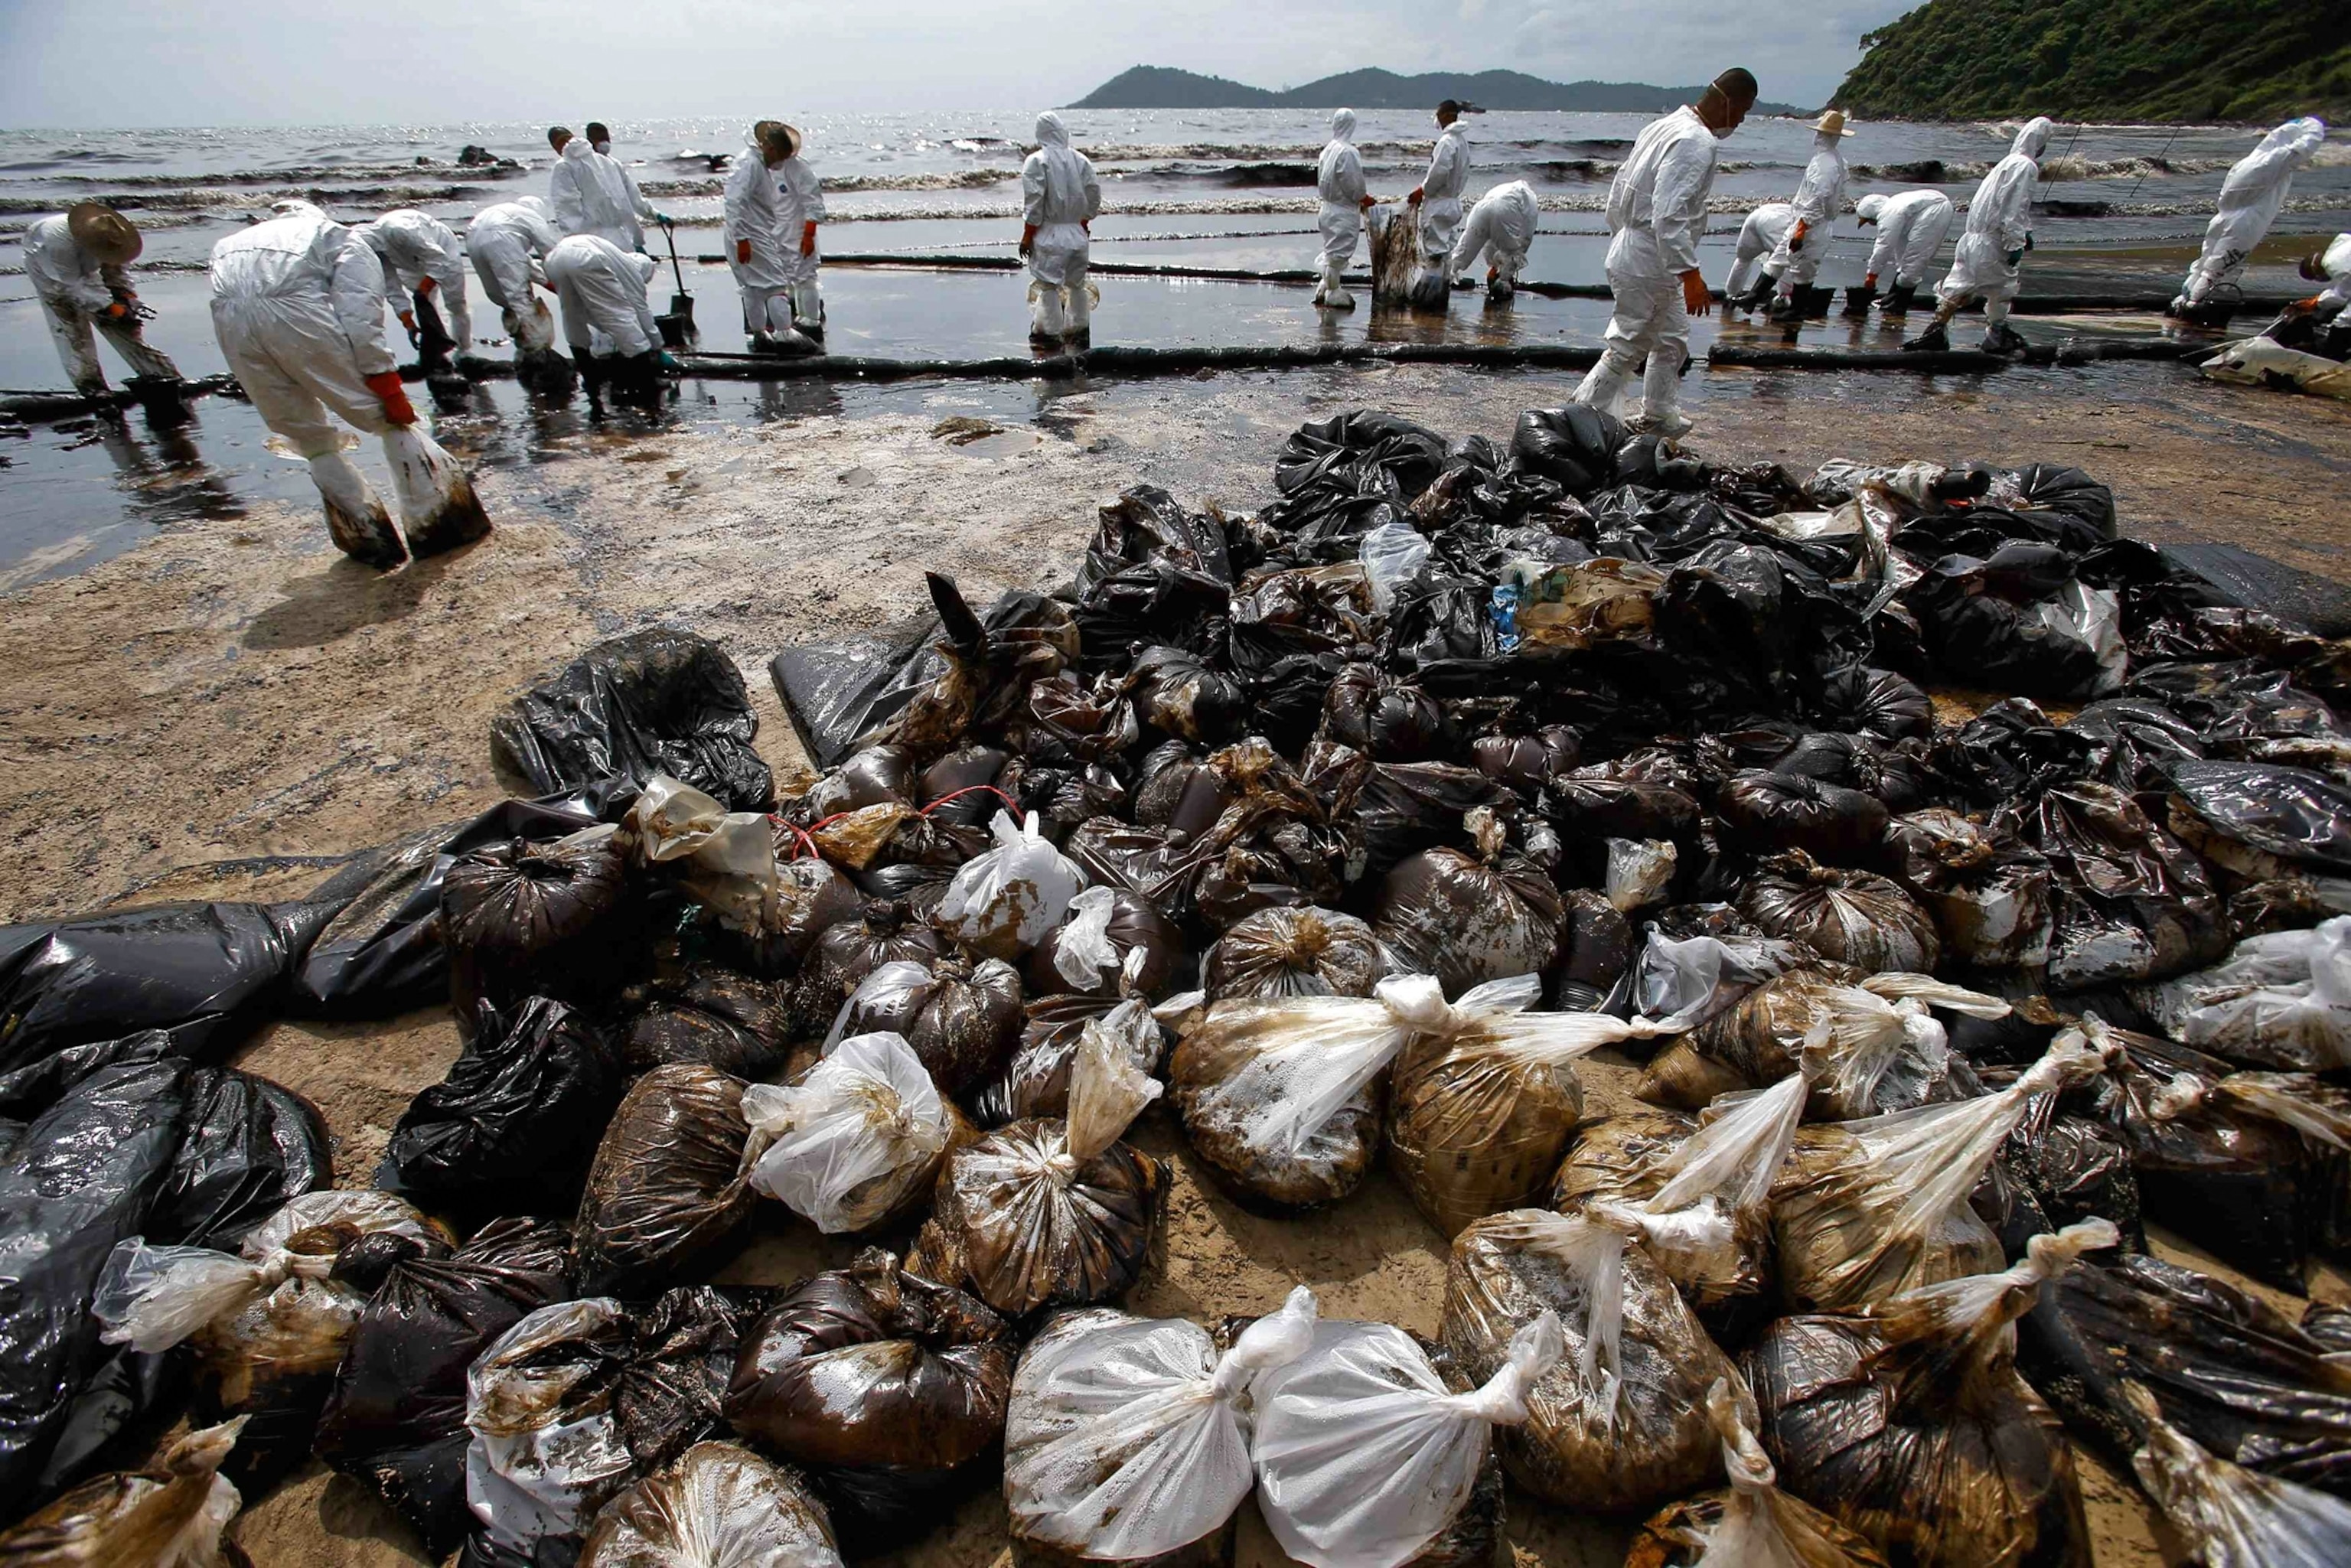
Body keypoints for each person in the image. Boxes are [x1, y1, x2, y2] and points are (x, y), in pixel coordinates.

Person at [208, 200, 490, 568]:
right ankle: (438, 523)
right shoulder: (340, 238)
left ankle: (368, 538)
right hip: (296, 314)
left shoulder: (229, 242)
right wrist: (386, 383)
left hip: (230, 322)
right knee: (385, 417)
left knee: (307, 436)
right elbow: (360, 319)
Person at [1573, 68, 1758, 438]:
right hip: (1651, 254)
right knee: (1630, 343)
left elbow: (1619, 189)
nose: (1740, 120)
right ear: (1727, 102)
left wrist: (1624, 238)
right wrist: (1689, 273)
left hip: (1637, 246)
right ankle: (1579, 420)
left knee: (1671, 337)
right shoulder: (1696, 141)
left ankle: (1659, 413)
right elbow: (1669, 212)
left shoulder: (1662, 127)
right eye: (1743, 110)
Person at [1903, 116, 2053, 356]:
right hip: (1992, 242)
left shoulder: (2004, 164)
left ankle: (1937, 330)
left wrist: (2025, 232)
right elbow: (2014, 207)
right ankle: (1996, 333)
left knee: (1959, 285)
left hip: (1972, 239)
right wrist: (2016, 241)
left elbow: (1995, 204)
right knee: (2002, 288)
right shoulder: (2025, 167)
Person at [2170, 116, 2328, 326]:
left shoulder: (2246, 162)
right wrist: (2311, 122)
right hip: (2246, 222)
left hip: (2223, 218)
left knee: (2203, 265)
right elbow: (2307, 145)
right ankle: (2192, 313)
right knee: (2215, 271)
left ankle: (2181, 302)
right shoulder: (2275, 160)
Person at [24, 202, 182, 401]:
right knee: (73, 332)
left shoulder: (114, 234)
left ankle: (161, 374)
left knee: (126, 327)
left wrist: (126, 297)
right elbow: (74, 285)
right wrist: (110, 309)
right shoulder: (57, 242)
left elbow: (117, 271)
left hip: (82, 278)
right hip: (52, 277)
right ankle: (92, 388)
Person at [544, 231, 668, 410]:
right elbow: (641, 313)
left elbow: (592, 309)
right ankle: (647, 387)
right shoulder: (633, 273)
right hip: (585, 257)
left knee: (572, 314)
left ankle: (590, 379)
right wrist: (657, 346)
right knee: (619, 316)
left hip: (554, 259)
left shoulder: (618, 260)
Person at [467, 196, 572, 390]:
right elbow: (553, 255)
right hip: (499, 237)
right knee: (520, 299)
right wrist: (570, 287)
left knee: (503, 298)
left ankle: (524, 350)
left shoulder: (505, 211)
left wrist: (555, 287)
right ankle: (538, 357)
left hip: (473, 237)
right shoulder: (532, 218)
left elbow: (528, 267)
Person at [1759, 109, 1854, 321]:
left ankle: (1797, 310)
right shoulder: (1833, 161)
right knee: (1779, 258)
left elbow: (1819, 198)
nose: (1817, 136)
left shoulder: (1826, 165)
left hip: (1811, 224)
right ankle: (1753, 297)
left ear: (1826, 137)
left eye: (1820, 133)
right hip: (1808, 221)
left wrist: (1802, 229)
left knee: (1803, 267)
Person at [725, 121, 810, 354]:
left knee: (753, 287)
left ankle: (760, 333)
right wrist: (742, 239)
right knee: (774, 285)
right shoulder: (750, 165)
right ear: (770, 149)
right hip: (750, 233)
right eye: (781, 156)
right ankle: (785, 334)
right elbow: (734, 202)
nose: (781, 162)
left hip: (748, 232)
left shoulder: (753, 162)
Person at [354, 208, 472, 373]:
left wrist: (424, 288)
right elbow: (391, 287)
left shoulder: (399, 230)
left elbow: (438, 259)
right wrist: (408, 322)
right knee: (427, 306)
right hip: (409, 264)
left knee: (455, 302)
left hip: (441, 249)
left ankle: (464, 351)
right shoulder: (376, 253)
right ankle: (439, 352)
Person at [1021, 111, 1101, 347]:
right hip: (1076, 233)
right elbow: (1093, 195)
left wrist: (1027, 236)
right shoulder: (1081, 160)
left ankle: (1048, 336)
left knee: (1049, 286)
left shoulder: (1037, 161)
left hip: (1050, 234)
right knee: (1076, 285)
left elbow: (1034, 202)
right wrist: (1084, 222)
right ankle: (1078, 332)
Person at [549, 122, 668, 253]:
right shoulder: (608, 162)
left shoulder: (564, 167)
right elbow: (629, 199)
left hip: (595, 242)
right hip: (621, 239)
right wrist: (648, 221)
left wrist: (575, 244)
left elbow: (566, 207)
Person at [1849, 187, 1955, 316]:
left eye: (1869, 221)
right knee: (1904, 256)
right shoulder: (1893, 206)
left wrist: (1872, 275)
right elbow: (1898, 246)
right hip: (1927, 209)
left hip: (1935, 211)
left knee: (1915, 259)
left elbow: (1884, 246)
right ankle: (1891, 298)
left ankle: (1899, 304)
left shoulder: (1889, 214)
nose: (1871, 224)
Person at [1405, 100, 1470, 307]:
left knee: (1434, 253)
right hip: (1452, 203)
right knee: (1445, 253)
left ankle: (1429, 301)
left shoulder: (1447, 142)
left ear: (1446, 116)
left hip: (1439, 204)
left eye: (1438, 114)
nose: (1436, 118)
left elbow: (1438, 174)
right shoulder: (1461, 142)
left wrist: (1422, 191)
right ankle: (1441, 296)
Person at [1313, 108, 1373, 309]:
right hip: (1343, 210)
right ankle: (1333, 291)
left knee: (1331, 251)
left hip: (1327, 209)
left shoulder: (1327, 149)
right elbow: (1353, 183)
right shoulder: (1348, 152)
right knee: (1338, 254)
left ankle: (1325, 286)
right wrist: (1363, 198)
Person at [1448, 179, 1541, 301]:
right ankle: (1501, 293)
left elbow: (1489, 237)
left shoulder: (1502, 187)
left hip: (1480, 209)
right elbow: (1527, 231)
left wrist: (1493, 264)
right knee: (1510, 256)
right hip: (1505, 211)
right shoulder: (1529, 198)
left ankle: (1442, 280)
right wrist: (1517, 254)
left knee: (1463, 252)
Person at [1723, 200, 1795, 309]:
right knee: (1782, 261)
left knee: (1743, 259)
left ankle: (1730, 296)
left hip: (1756, 215)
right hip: (1777, 221)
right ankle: (1783, 298)